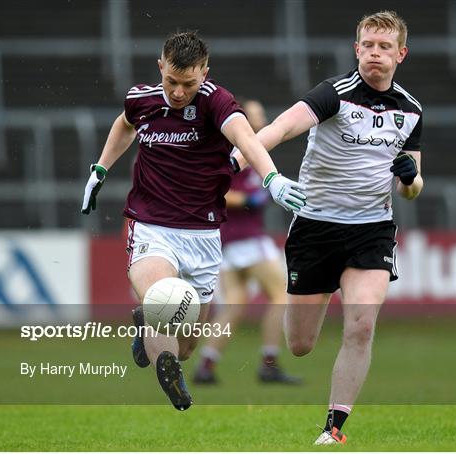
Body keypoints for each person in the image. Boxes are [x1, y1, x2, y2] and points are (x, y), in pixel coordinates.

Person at [81, 31, 306, 411]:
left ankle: (153, 335)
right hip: (152, 226)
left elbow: (247, 140)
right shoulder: (142, 99)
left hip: (203, 234)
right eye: (171, 81)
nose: (179, 92)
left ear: (205, 72)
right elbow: (124, 124)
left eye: (189, 83)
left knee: (186, 346)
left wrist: (271, 178)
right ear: (160, 67)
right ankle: (156, 336)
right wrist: (100, 168)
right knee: (162, 297)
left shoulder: (217, 103)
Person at [231, 11, 423, 444]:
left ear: (401, 54)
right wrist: (235, 161)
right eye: (368, 45)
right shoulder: (333, 94)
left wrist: (410, 178)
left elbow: (412, 188)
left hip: (372, 229)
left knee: (361, 325)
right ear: (357, 49)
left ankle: (334, 429)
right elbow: (279, 129)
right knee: (299, 344)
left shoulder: (411, 111)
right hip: (316, 227)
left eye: (385, 46)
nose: (375, 53)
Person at [193, 99, 301, 385]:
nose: (260, 120)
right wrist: (249, 200)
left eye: (261, 115)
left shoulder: (255, 153)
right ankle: (269, 363)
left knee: (235, 304)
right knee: (281, 295)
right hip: (245, 239)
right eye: (253, 116)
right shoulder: (238, 153)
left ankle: (206, 366)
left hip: (229, 241)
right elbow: (218, 189)